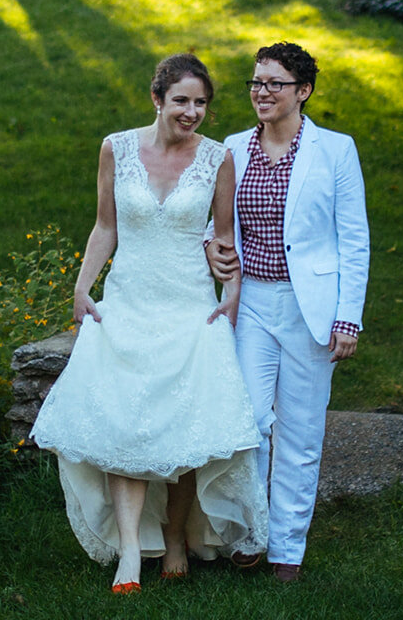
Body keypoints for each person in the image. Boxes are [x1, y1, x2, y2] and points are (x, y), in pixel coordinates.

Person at [29, 53, 268, 593]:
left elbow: (223, 238)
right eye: (181, 100)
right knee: (123, 425)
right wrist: (82, 286)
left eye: (201, 102)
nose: (192, 112)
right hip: (129, 303)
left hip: (189, 307)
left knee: (185, 426)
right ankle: (132, 553)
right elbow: (104, 226)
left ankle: (178, 535)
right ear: (157, 98)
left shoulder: (218, 159)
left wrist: (231, 292)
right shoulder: (117, 147)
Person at [206, 41, 369, 584]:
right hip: (249, 302)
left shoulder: (335, 150)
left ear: (304, 91)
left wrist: (348, 317)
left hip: (310, 308)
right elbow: (218, 223)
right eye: (256, 82)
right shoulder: (232, 147)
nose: (262, 93)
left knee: (300, 431)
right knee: (247, 423)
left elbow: (353, 239)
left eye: (275, 84)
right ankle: (251, 533)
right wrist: (212, 245)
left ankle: (288, 551)